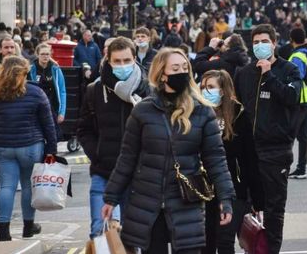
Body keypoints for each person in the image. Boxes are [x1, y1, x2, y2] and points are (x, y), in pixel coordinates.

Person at [101, 48, 235, 254]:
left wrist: (225, 198)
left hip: (185, 201)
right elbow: (127, 158)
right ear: (162, 74)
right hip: (148, 204)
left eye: (184, 68)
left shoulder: (201, 111)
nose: (181, 72)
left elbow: (216, 159)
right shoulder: (143, 111)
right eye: (175, 68)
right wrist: (111, 197)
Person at [234, 24, 302, 254]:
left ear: (274, 43)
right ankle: (251, 247)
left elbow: (292, 97)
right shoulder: (244, 73)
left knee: (274, 209)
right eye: (255, 42)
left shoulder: (289, 69)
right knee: (246, 207)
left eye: (264, 41)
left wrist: (269, 75)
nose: (260, 46)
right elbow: (236, 108)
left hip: (276, 151)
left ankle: (270, 249)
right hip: (247, 151)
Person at [77, 37, 150, 239]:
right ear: (108, 61)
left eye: (126, 60)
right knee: (99, 233)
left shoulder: (147, 91)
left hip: (138, 173)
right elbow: (84, 130)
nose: (122, 66)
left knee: (134, 235)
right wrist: (97, 152)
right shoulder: (95, 91)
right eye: (117, 61)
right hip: (104, 171)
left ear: (135, 59)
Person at [200, 70, 264, 254]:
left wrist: (258, 200)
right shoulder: (198, 113)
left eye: (211, 87)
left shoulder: (239, 115)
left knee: (225, 240)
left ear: (223, 90)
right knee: (206, 241)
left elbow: (250, 159)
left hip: (234, 189)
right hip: (203, 188)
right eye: (203, 87)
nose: (206, 91)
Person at [0, 56, 57, 241]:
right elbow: (48, 124)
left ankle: (4, 232)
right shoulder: (35, 92)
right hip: (31, 145)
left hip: (3, 146)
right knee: (28, 187)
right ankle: (28, 228)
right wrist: (52, 150)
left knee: (7, 186)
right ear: (24, 71)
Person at [288, 28, 307, 180]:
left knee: (291, 133)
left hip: (300, 99)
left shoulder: (297, 56)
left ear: (291, 39)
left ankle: (288, 165)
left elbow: (296, 77)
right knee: (302, 135)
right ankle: (301, 167)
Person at [28, 43, 67, 140]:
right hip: (36, 108)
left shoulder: (56, 70)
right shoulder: (31, 69)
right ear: (37, 55)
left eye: (47, 54)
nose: (45, 56)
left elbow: (62, 91)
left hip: (52, 107)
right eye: (42, 54)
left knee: (53, 136)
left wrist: (62, 112)